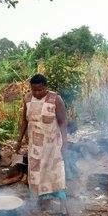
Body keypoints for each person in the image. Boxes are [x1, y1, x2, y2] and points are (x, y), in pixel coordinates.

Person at [16, 74, 68, 208]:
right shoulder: (27, 98)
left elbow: (62, 123)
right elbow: (24, 121)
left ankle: (60, 199)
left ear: (46, 87)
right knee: (35, 172)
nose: (37, 93)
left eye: (40, 90)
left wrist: (65, 144)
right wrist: (19, 140)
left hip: (52, 145)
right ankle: (39, 199)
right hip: (35, 145)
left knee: (53, 171)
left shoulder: (56, 99)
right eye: (34, 90)